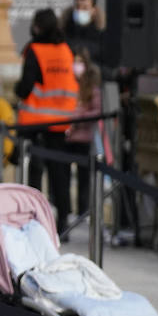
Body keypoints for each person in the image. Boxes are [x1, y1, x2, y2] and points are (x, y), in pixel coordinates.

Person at [16, 7, 79, 239]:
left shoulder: (34, 50)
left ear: (37, 26)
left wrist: (17, 90)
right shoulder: (65, 49)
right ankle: (64, 222)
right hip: (61, 121)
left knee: (33, 173)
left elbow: (25, 87)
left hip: (35, 121)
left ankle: (33, 220)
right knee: (59, 173)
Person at [64, 48, 103, 226]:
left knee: (83, 178)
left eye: (79, 62)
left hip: (83, 137)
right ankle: (66, 210)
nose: (76, 66)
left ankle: (83, 210)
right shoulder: (67, 83)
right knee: (62, 177)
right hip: (66, 137)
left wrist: (78, 120)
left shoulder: (91, 88)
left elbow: (97, 110)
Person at [62, 0, 104, 65]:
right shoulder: (62, 34)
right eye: (77, 7)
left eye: (85, 8)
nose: (80, 10)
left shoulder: (102, 36)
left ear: (93, 10)